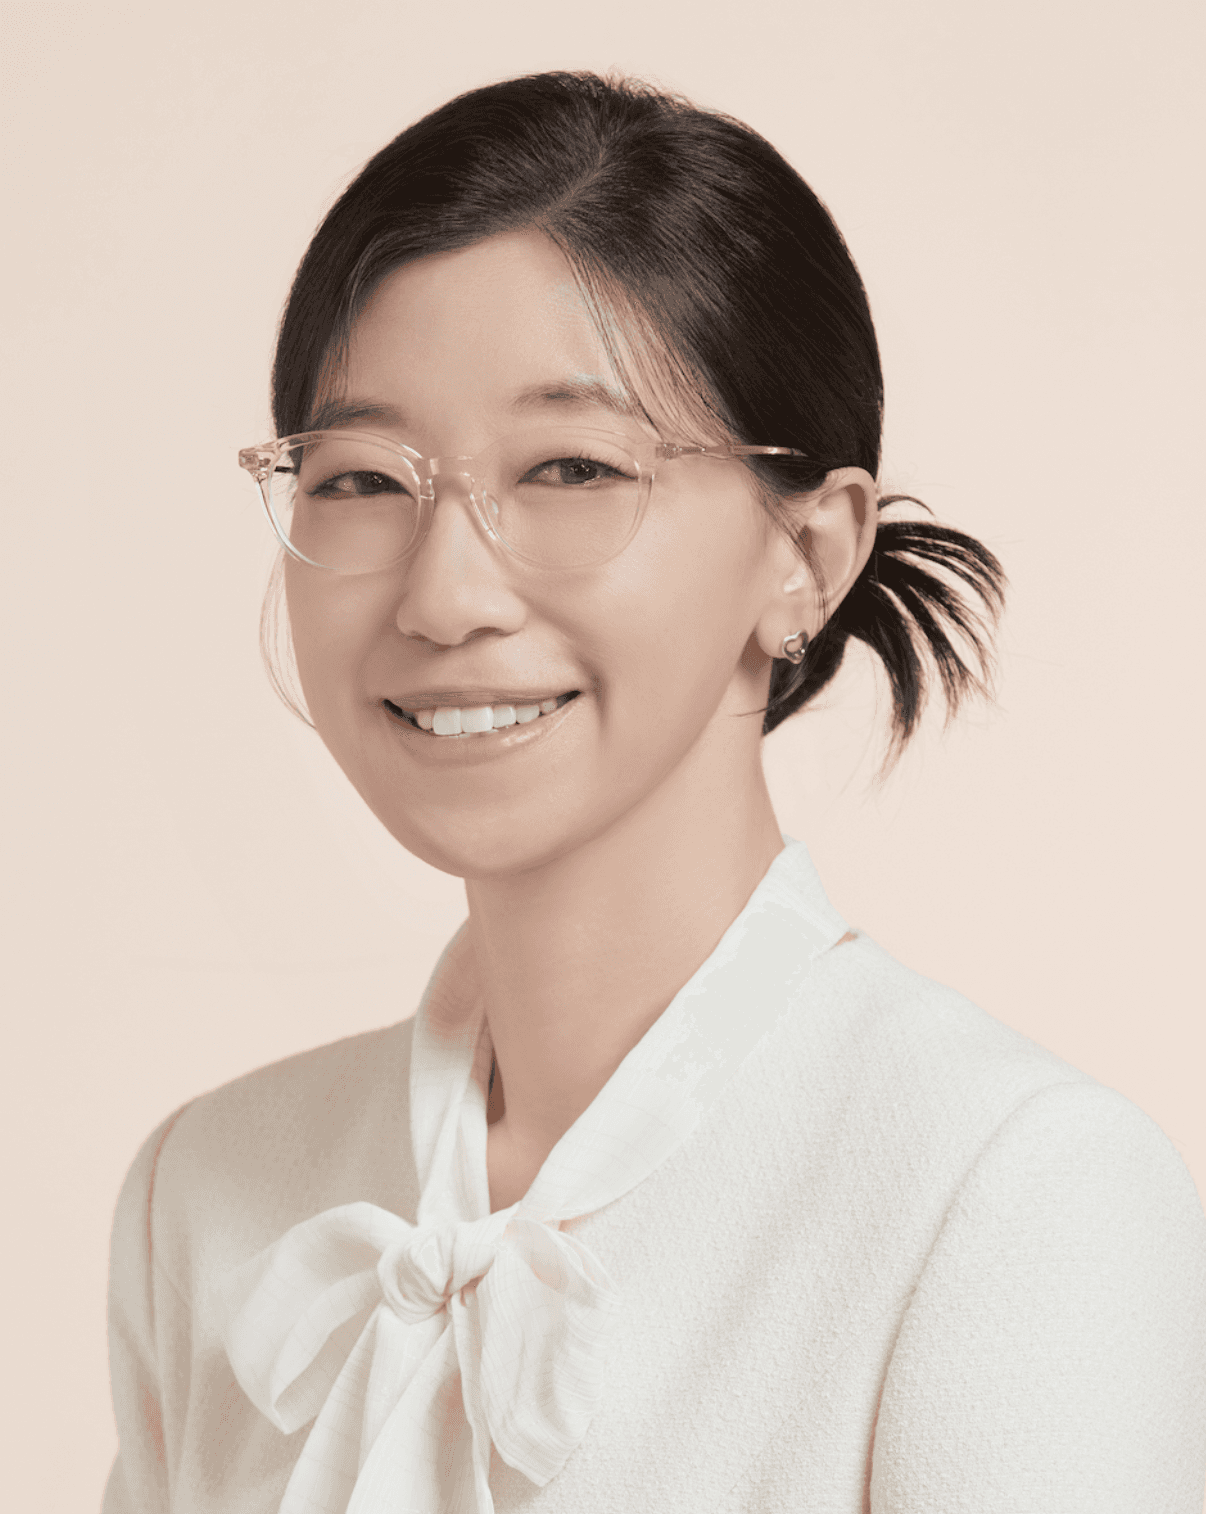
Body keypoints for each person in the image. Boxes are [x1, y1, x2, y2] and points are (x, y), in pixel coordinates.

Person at [103, 70, 1206, 1514]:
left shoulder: (1006, 1193)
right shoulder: (211, 1189)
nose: (443, 595)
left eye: (571, 468)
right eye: (362, 478)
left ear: (808, 554)